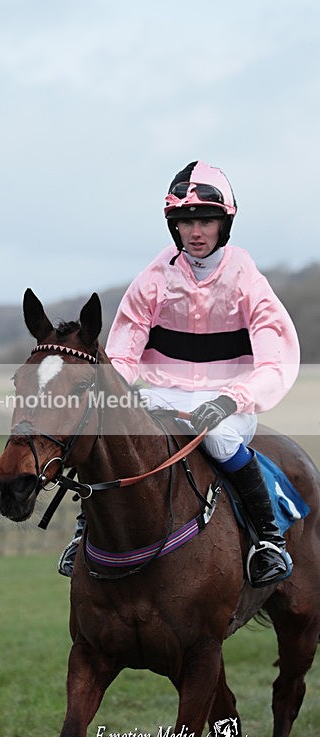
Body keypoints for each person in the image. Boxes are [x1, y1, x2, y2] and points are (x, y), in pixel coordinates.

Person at [58, 160, 300, 588]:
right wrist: (118, 396)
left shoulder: (247, 279)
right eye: (186, 222)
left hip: (228, 400)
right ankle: (85, 533)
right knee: (112, 434)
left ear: (224, 223)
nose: (196, 232)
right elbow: (123, 355)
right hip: (164, 395)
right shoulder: (154, 278)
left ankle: (268, 539)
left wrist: (230, 400)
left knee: (222, 438)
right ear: (175, 227)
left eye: (206, 220)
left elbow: (274, 362)